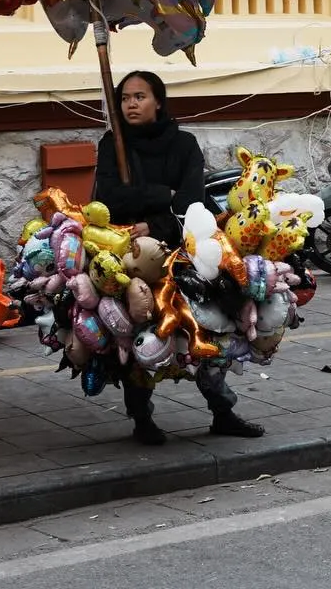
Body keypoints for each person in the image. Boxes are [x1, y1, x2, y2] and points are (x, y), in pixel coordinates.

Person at [91, 70, 264, 446]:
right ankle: (141, 418)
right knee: (139, 331)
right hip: (132, 252)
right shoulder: (112, 144)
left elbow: (190, 199)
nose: (131, 104)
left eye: (140, 96)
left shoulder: (184, 144)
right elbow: (108, 198)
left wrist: (153, 219)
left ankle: (222, 411)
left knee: (208, 331)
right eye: (125, 98)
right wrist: (160, 195)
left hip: (184, 247)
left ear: (158, 101)